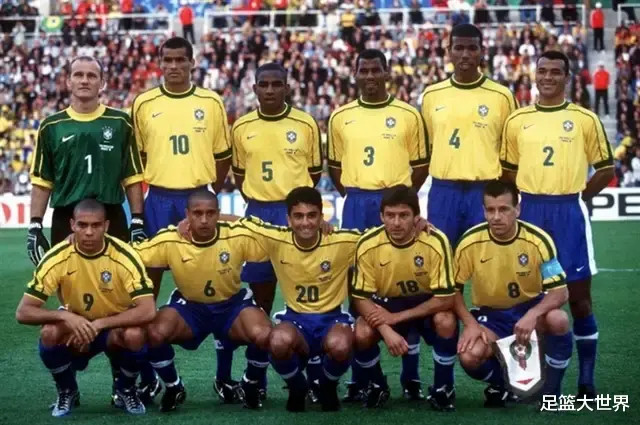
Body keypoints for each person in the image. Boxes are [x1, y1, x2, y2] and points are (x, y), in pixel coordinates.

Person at [501, 50, 614, 399]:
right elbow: (507, 171)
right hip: (531, 213)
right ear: (534, 75)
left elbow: (606, 169)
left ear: (567, 77)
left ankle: (586, 381)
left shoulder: (584, 119)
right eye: (543, 71)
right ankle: (539, 381)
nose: (548, 77)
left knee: (579, 300)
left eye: (555, 72)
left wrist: (579, 197)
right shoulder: (517, 121)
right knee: (532, 302)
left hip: (569, 213)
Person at [131, 36, 231, 398]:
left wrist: (205, 194)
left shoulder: (211, 102)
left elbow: (222, 157)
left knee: (217, 286)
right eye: (167, 60)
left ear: (192, 62)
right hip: (158, 199)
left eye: (180, 60)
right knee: (146, 289)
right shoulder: (144, 103)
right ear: (160, 63)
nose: (174, 66)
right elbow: (138, 157)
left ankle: (224, 376)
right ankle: (149, 377)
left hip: (197, 199)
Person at [327, 48, 429, 401]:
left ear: (388, 73)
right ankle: (363, 378)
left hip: (395, 202)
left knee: (405, 283)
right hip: (357, 203)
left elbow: (421, 165)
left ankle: (411, 377)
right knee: (357, 286)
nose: (370, 76)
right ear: (355, 74)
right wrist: (357, 196)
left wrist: (399, 202)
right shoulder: (340, 117)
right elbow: (334, 167)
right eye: (364, 70)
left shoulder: (407, 114)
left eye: (376, 70)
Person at [229, 62, 323, 399]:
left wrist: (294, 208)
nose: (270, 90)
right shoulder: (242, 127)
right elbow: (240, 174)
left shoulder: (305, 123)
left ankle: (314, 378)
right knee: (261, 303)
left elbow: (313, 173)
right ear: (254, 88)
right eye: (264, 84)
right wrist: (262, 203)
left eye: (276, 84)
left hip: (295, 217)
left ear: (287, 87)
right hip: (258, 215)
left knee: (308, 300)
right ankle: (255, 378)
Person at [133, 190, 273, 411]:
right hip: (190, 308)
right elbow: (131, 255)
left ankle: (250, 384)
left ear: (218, 213)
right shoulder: (171, 238)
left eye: (210, 213)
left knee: (265, 335)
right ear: (187, 214)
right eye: (197, 214)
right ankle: (173, 386)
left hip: (231, 306)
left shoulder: (236, 235)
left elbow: (275, 237)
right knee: (153, 333)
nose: (204, 220)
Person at [15, 199, 155, 417]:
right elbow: (23, 312)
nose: (89, 232)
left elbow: (147, 310)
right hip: (75, 326)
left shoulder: (124, 256)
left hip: (112, 327)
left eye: (96, 225)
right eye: (82, 225)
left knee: (135, 335)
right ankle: (67, 391)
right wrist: (66, 318)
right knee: (49, 332)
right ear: (72, 225)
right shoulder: (57, 257)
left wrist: (99, 324)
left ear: (106, 226)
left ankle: (125, 389)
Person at [454, 181, 572, 407]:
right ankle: (506, 385)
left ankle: (551, 392)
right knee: (469, 355)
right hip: (491, 317)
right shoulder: (470, 242)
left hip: (530, 309)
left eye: (504, 209)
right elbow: (453, 291)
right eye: (490, 210)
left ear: (517, 209)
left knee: (559, 319)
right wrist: (470, 324)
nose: (496, 217)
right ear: (484, 211)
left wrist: (532, 314)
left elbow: (560, 291)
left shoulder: (538, 240)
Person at [240, 187, 358, 412]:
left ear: (322, 217)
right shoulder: (277, 238)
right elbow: (240, 223)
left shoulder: (342, 241)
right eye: (299, 216)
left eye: (312, 215)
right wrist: (189, 222)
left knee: (341, 345)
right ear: (288, 219)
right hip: (296, 320)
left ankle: (327, 385)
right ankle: (297, 386)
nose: (305, 223)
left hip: (332, 319)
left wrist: (418, 223)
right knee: (277, 341)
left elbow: (379, 237)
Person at [27, 55, 145, 265]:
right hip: (66, 216)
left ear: (102, 83)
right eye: (78, 75)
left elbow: (132, 176)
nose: (84, 80)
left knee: (116, 280)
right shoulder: (51, 126)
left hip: (111, 214)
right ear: (68, 81)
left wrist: (137, 220)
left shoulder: (120, 122)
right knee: (68, 279)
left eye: (91, 76)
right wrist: (35, 225)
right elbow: (42, 181)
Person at [350, 185, 457, 411]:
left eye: (404, 215)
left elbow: (446, 299)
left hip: (424, 304)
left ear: (416, 216)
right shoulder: (368, 243)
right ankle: (377, 385)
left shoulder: (435, 241)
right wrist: (386, 329)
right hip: (386, 304)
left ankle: (443, 387)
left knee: (446, 320)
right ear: (381, 216)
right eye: (390, 215)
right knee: (361, 330)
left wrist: (396, 318)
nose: (396, 222)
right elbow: (360, 298)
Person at [419, 23, 518, 246]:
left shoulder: (502, 96)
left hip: (485, 191)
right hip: (444, 191)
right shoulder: (431, 95)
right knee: (443, 256)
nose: (465, 54)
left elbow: (512, 153)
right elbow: (428, 149)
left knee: (486, 258)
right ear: (449, 51)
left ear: (482, 52)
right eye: (459, 48)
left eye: (472, 48)